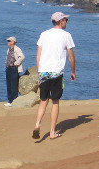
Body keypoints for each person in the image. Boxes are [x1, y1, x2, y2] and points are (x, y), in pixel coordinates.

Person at [32, 12, 76, 140]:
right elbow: (71, 57)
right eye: (66, 20)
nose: (66, 22)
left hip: (44, 71)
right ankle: (52, 132)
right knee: (55, 101)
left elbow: (38, 55)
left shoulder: (44, 34)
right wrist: (73, 71)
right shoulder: (66, 35)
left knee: (43, 100)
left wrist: (39, 71)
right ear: (61, 21)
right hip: (57, 72)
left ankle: (37, 124)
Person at [5, 36, 25, 106]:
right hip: (8, 68)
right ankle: (9, 100)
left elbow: (22, 57)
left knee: (14, 85)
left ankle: (14, 100)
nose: (8, 42)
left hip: (14, 68)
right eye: (8, 41)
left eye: (9, 41)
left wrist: (16, 63)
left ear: (13, 42)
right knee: (9, 85)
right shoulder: (9, 49)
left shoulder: (17, 49)